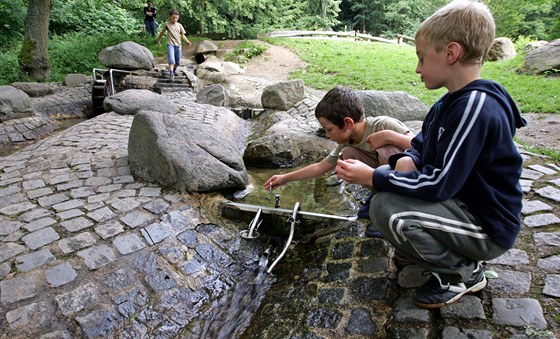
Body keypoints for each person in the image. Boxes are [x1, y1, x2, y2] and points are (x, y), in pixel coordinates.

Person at [334, 0, 526, 309]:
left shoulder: (474, 109)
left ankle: (462, 273)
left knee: (385, 209)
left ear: (451, 53)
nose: (418, 68)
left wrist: (374, 176)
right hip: (462, 206)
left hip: (487, 226)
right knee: (390, 203)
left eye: (422, 58)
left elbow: (439, 183)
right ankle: (440, 250)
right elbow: (422, 146)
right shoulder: (446, 104)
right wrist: (406, 160)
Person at [264, 86, 414, 217]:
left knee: (386, 150)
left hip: (409, 181)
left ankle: (394, 206)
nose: (328, 135)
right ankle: (379, 197)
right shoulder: (347, 142)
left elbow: (423, 146)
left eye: (329, 129)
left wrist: (389, 137)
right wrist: (285, 178)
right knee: (347, 156)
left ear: (347, 123)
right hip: (383, 180)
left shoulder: (383, 125)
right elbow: (320, 167)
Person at [157, 9, 192, 81]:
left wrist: (187, 42)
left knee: (178, 62)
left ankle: (173, 70)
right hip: (170, 44)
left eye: (176, 18)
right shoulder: (167, 24)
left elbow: (182, 35)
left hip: (178, 45)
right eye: (173, 17)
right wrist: (158, 40)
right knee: (171, 59)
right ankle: (171, 74)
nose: (175, 19)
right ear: (170, 17)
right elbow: (162, 32)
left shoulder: (179, 25)